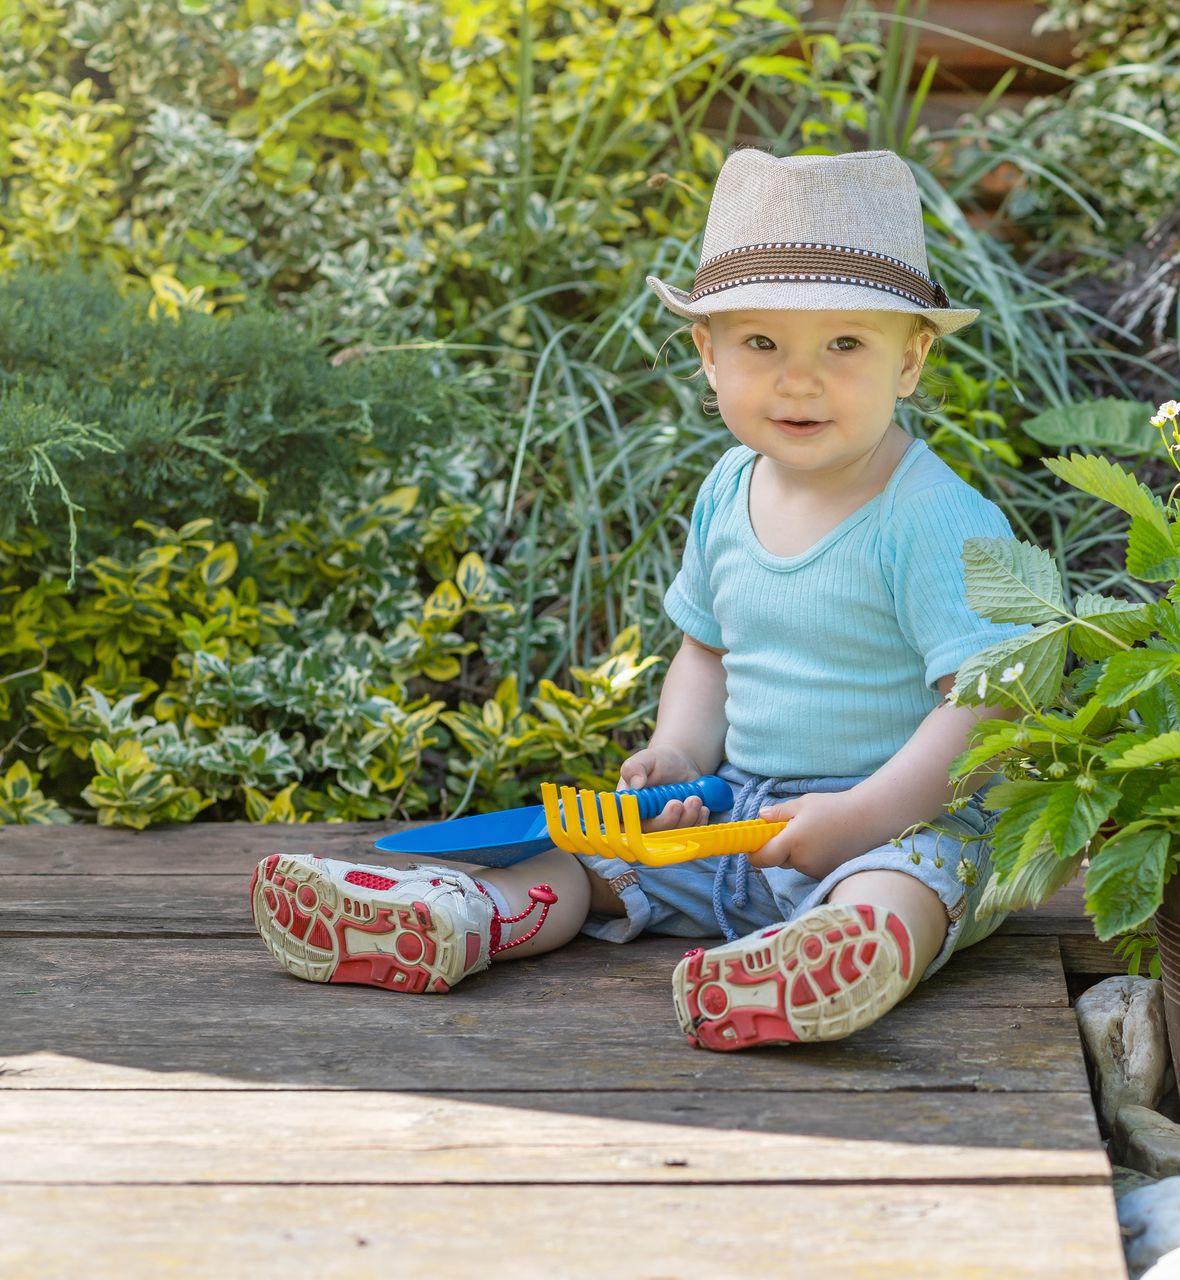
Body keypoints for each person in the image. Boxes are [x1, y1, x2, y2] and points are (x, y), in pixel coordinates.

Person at [249, 148, 1032, 1051]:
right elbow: (707, 650)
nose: (799, 378)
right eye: (761, 343)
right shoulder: (727, 489)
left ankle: (840, 953)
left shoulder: (932, 516)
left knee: (914, 877)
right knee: (593, 856)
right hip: (739, 812)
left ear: (912, 360)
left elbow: (986, 700)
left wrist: (858, 818)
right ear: (708, 355)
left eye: (845, 344)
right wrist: (674, 754)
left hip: (903, 811)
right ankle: (461, 918)